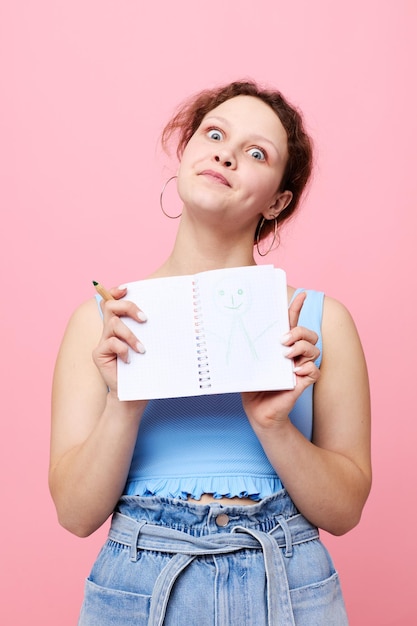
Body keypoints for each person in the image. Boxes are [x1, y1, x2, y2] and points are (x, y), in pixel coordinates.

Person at [49, 80, 371, 625]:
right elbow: (76, 516)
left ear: (278, 201)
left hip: (285, 580)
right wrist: (125, 400)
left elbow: (344, 513)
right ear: (185, 154)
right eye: (214, 134)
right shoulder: (102, 324)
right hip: (140, 582)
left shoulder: (322, 322)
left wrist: (274, 426)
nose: (226, 152)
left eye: (256, 152)